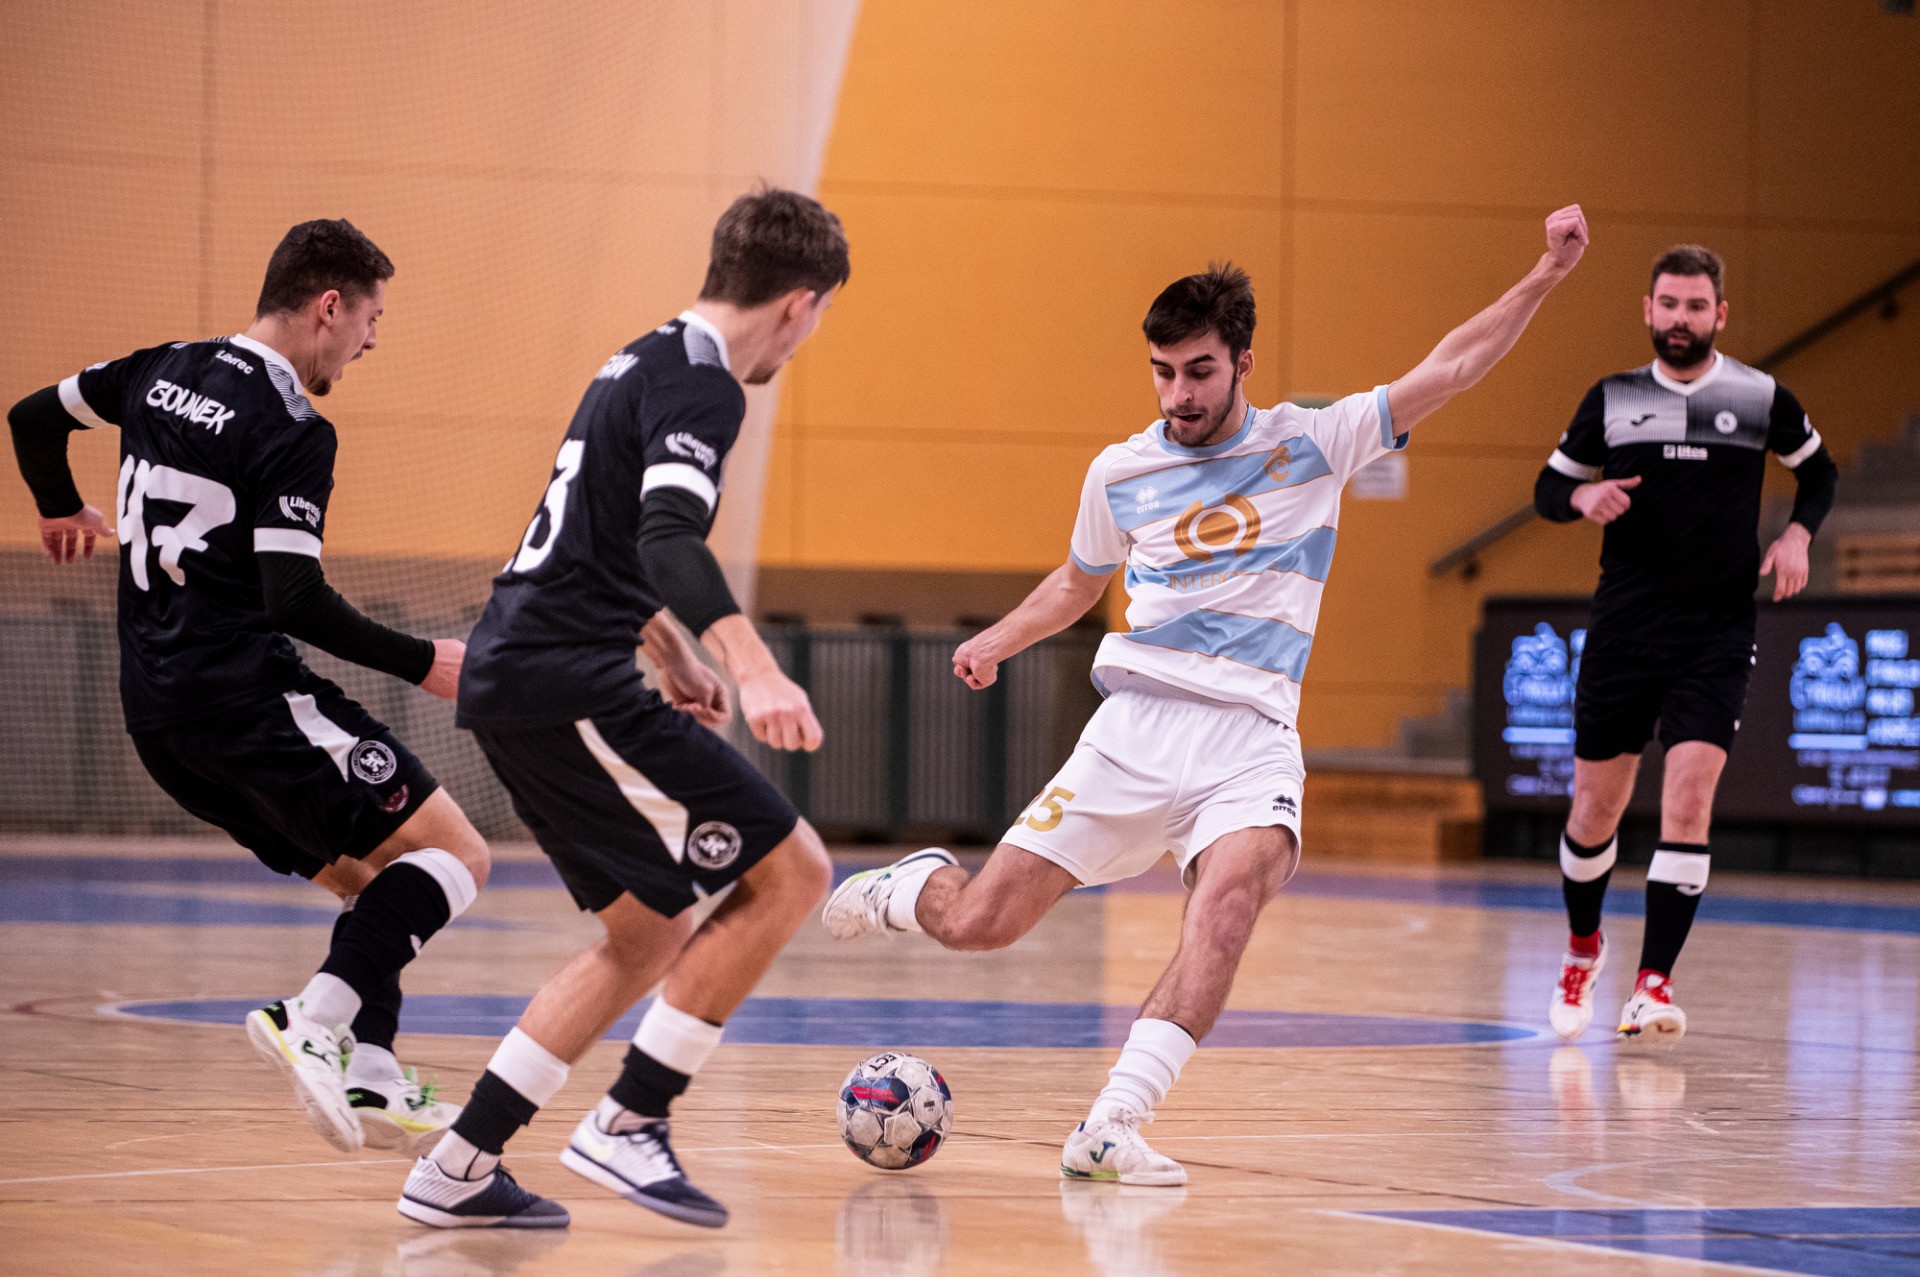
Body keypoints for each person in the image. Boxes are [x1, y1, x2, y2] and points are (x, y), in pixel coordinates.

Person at [824, 206, 1592, 1186]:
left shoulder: (1314, 443)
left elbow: (1452, 367)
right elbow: (1077, 582)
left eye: (1198, 371)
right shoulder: (1121, 469)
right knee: (982, 922)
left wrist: (1546, 273)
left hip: (1252, 738)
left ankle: (1112, 1124)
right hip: (1134, 729)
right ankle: (910, 887)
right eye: (1163, 372)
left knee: (1225, 907)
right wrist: (996, 640)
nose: (1178, 394)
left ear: (1242, 363)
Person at [396, 187, 844, 1231]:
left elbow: (599, 534)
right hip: (565, 680)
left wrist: (672, 648)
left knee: (646, 932)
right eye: (818, 318)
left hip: (525, 672)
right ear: (800, 303)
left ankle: (457, 1165)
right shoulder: (706, 386)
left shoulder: (638, 359)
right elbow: (668, 536)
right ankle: (631, 1119)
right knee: (793, 871)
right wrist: (753, 665)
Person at [6, 219, 489, 1154]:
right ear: (329, 306)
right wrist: (421, 660)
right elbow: (293, 597)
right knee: (459, 856)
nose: (371, 343)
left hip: (157, 717)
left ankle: (374, 1074)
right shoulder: (293, 427)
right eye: (371, 320)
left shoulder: (157, 368)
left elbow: (31, 417)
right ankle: (312, 1017)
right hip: (245, 700)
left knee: (373, 886)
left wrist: (58, 504)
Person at [1535, 244, 1838, 1043]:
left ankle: (1652, 984)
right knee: (1593, 811)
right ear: (1648, 310)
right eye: (1668, 304)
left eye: (1695, 306)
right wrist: (1581, 497)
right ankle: (1583, 947)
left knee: (1690, 799)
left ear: (1719, 315)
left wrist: (1799, 535)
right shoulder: (1613, 398)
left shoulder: (1760, 396)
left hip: (1716, 632)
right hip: (1625, 631)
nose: (1680, 318)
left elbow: (1820, 472)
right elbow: (1548, 487)